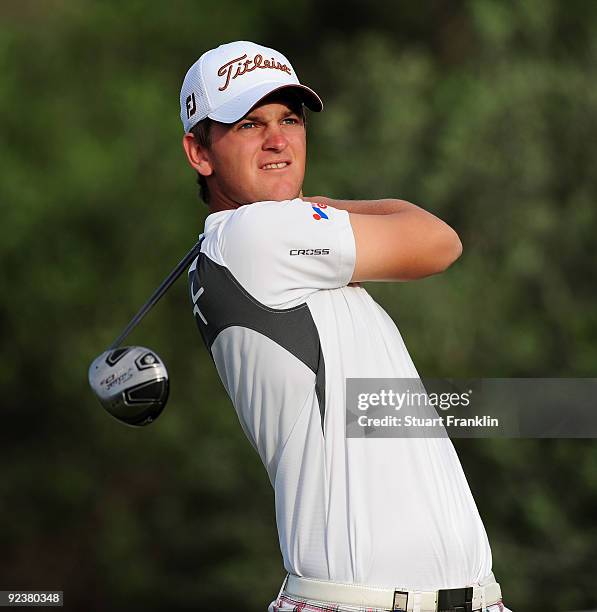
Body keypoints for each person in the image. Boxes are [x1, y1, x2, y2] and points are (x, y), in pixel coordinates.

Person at [180, 41, 513, 612]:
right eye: (248, 124)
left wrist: (323, 210)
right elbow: (439, 241)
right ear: (199, 152)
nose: (278, 140)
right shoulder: (253, 237)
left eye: (290, 119)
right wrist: (330, 206)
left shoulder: (270, 245)